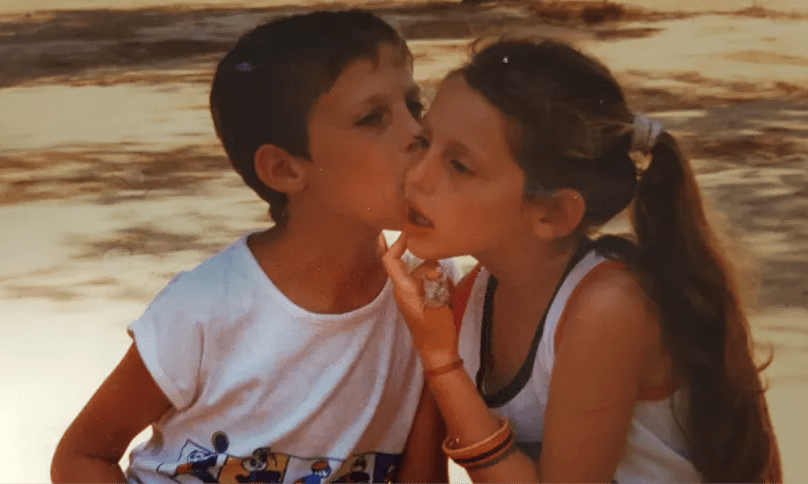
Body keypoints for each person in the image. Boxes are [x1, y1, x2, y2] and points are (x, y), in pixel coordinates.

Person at [51, 10, 452, 484]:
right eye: (373, 118)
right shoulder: (205, 309)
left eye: (414, 104)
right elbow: (83, 455)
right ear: (284, 170)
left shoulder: (430, 290)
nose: (418, 132)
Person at [383, 38, 782, 483]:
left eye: (458, 165)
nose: (416, 176)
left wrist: (440, 361)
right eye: (426, 141)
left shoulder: (607, 309)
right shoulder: (470, 296)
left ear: (552, 214)